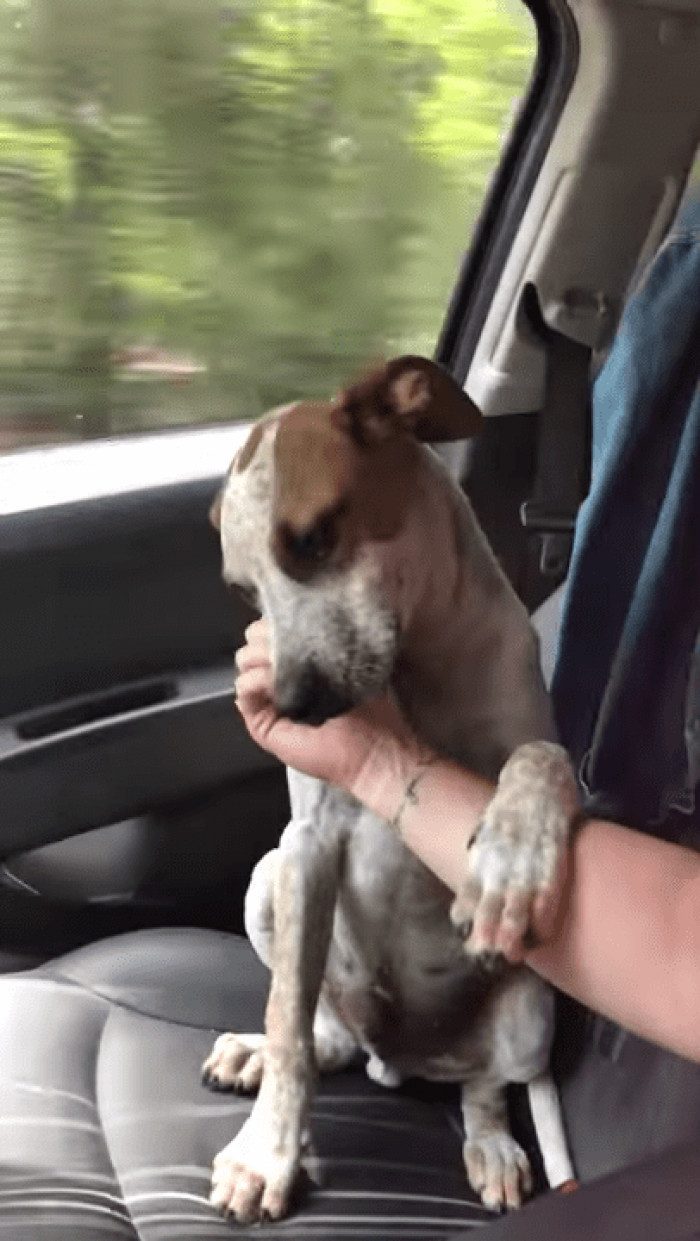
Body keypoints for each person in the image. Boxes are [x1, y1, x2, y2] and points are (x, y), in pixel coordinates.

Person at [233, 616, 700, 1067]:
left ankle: (478, 1097)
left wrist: (381, 765)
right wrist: (378, 762)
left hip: (492, 1027)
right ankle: (333, 1037)